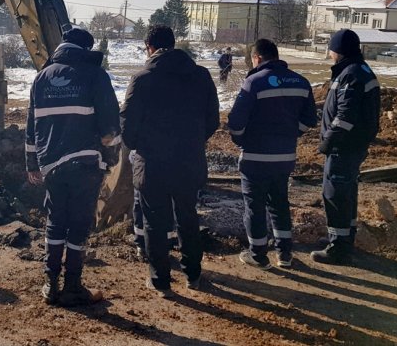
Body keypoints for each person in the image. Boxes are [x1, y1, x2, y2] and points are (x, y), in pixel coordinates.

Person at [121, 25, 219, 297]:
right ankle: (193, 275)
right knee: (188, 216)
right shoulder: (200, 76)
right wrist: (191, 142)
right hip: (189, 161)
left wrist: (143, 146)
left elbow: (128, 128)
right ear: (173, 45)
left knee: (154, 221)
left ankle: (160, 281)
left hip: (152, 163)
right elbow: (212, 120)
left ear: (149, 47)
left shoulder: (142, 79)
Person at [26, 27, 120, 306]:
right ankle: (73, 286)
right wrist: (111, 157)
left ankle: (50, 284)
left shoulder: (41, 78)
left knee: (55, 223)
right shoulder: (94, 75)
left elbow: (32, 128)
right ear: (86, 50)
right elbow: (110, 126)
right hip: (85, 163)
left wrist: (33, 163)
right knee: (79, 225)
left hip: (51, 165)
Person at [227, 39, 317, 270]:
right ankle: (284, 254)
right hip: (285, 157)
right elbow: (309, 120)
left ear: (257, 58)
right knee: (279, 203)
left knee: (255, 206)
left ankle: (258, 254)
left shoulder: (254, 82)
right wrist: (290, 135)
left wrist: (242, 140)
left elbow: (235, 122)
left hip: (255, 157)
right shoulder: (301, 81)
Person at [311, 29, 380, 265]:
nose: (329, 53)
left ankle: (338, 248)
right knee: (347, 192)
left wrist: (326, 142)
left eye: (330, 48)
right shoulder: (359, 70)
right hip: (353, 145)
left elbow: (345, 117)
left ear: (338, 50)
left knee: (335, 193)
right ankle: (342, 238)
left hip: (344, 146)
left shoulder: (350, 75)